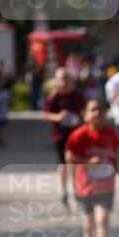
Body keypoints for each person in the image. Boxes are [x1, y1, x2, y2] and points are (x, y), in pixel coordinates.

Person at [65, 99, 119, 237]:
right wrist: (88, 161)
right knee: (89, 220)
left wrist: (116, 165)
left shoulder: (110, 133)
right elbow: (69, 158)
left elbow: (116, 150)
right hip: (85, 186)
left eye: (100, 110)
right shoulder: (79, 135)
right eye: (92, 110)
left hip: (105, 186)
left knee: (102, 220)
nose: (97, 113)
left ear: (105, 114)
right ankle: (87, 236)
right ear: (85, 114)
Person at [43, 68, 86, 207]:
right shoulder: (53, 96)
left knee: (76, 163)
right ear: (56, 81)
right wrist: (58, 117)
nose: (64, 82)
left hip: (76, 135)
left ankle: (76, 190)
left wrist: (81, 118)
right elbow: (46, 114)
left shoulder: (78, 96)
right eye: (61, 79)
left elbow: (85, 111)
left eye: (66, 78)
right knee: (63, 164)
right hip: (60, 135)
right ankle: (64, 191)